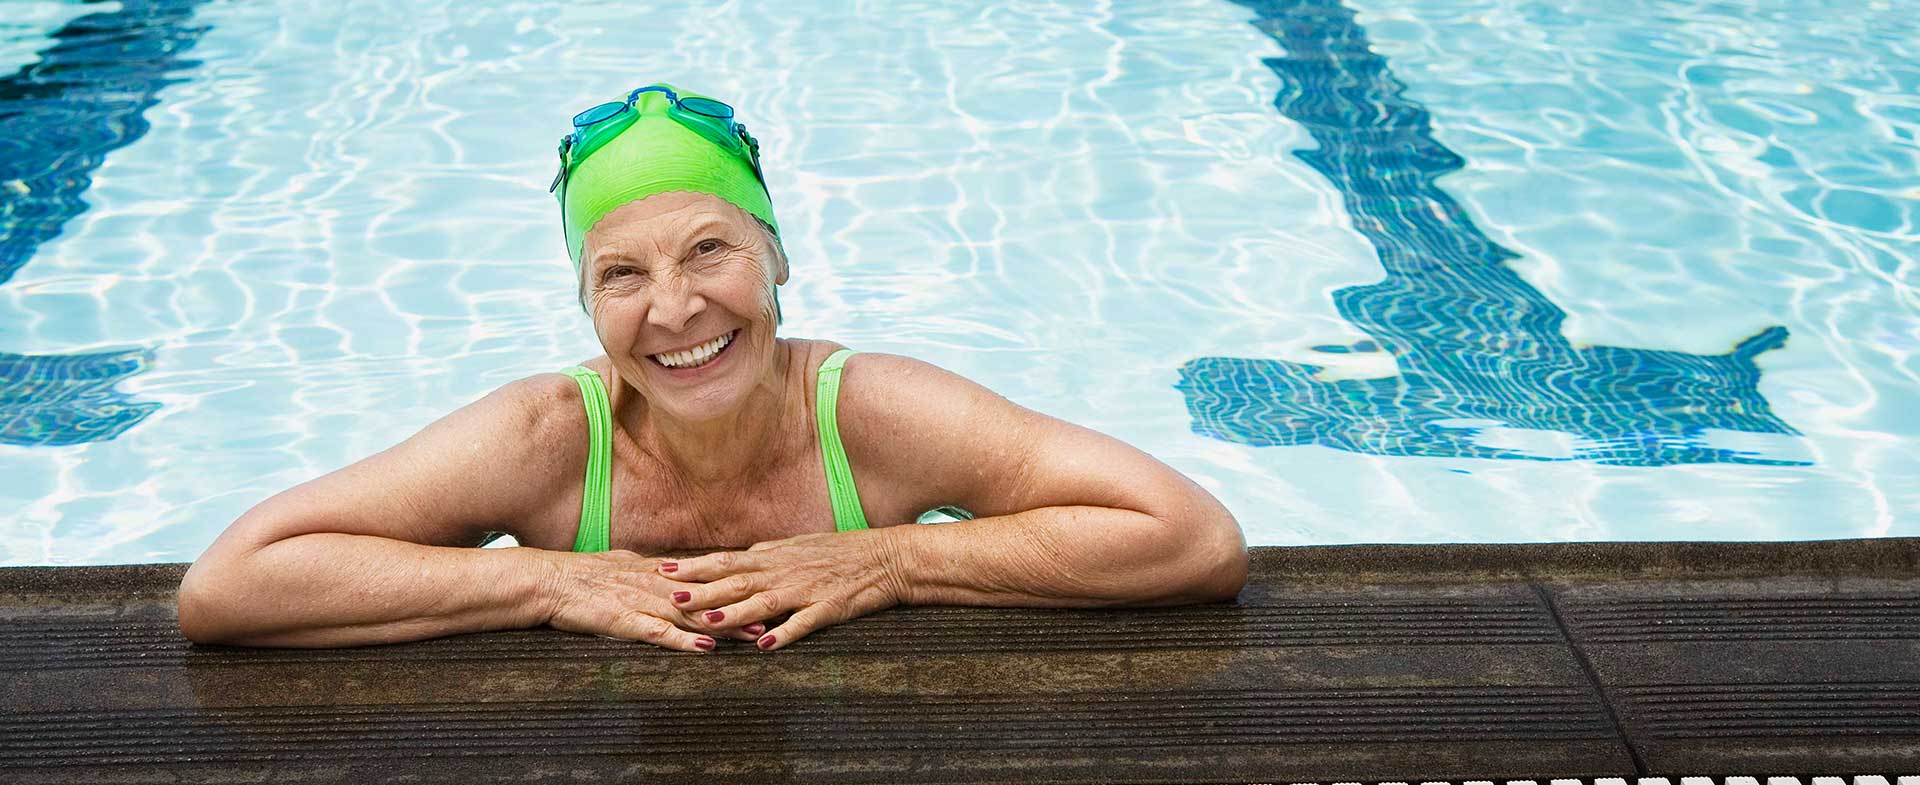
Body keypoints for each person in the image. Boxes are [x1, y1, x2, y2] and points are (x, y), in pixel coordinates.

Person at [177, 83, 1248, 652]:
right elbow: (231, 585)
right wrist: (547, 579)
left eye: (709, 249)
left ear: (776, 255)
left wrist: (891, 562)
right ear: (586, 302)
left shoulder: (869, 411)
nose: (674, 308)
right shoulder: (548, 436)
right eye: (621, 274)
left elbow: (1189, 537)